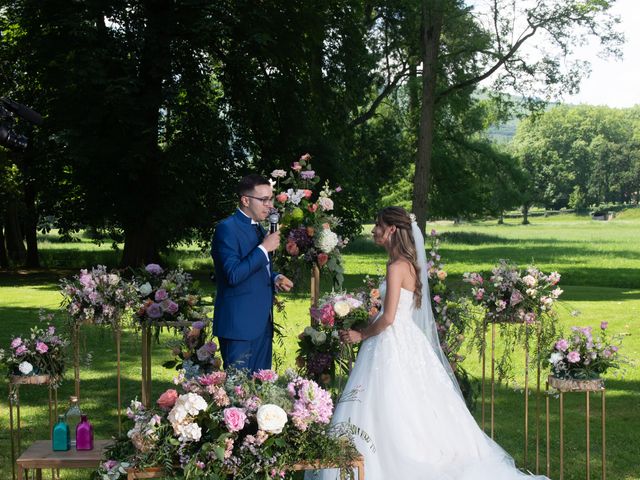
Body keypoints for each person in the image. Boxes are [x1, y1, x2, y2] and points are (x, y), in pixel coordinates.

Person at [308, 206, 548, 480]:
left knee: (387, 401)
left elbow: (388, 318)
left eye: (378, 225)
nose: (374, 230)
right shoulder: (409, 265)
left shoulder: (396, 266)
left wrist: (360, 334)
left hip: (391, 343)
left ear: (392, 230)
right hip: (409, 341)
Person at [211, 174, 293, 372]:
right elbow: (232, 274)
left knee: (260, 391)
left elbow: (256, 269)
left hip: (262, 325)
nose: (269, 205)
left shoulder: (258, 228)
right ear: (245, 200)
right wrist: (264, 248)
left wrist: (275, 278)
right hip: (238, 327)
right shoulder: (226, 229)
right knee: (238, 395)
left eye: (271, 198)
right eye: (263, 200)